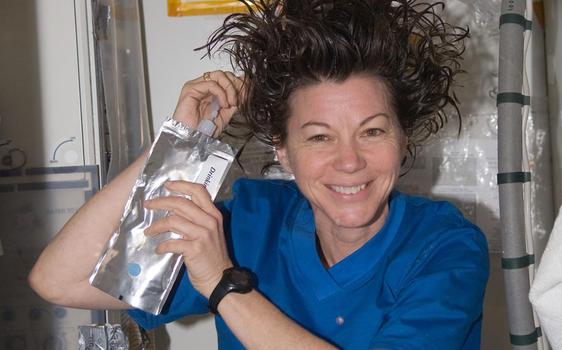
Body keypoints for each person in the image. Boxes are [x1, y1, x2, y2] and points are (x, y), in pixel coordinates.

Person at [29, 0, 489, 348]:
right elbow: (60, 280)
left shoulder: (446, 248)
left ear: (403, 138)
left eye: (371, 131)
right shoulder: (249, 226)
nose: (349, 162)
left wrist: (221, 284)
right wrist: (174, 143)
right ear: (282, 150)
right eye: (319, 137)